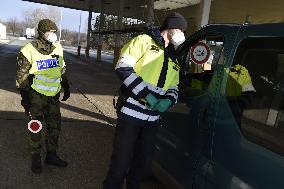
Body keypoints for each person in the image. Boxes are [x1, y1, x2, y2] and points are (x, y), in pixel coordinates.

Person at [103, 12, 187, 189]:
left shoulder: (174, 57)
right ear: (169, 27)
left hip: (152, 119)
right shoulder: (144, 41)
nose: (181, 33)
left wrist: (168, 101)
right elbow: (123, 67)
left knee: (141, 167)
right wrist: (145, 94)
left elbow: (174, 87)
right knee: (120, 164)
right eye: (179, 29)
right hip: (131, 114)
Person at [16, 19, 70, 174]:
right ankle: (35, 158)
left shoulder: (58, 47)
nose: (52, 35)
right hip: (36, 96)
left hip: (53, 96)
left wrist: (66, 86)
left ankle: (51, 155)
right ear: (41, 32)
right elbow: (21, 77)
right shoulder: (28, 50)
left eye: (54, 32)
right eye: (49, 32)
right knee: (35, 127)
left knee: (54, 126)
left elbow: (62, 68)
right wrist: (25, 98)